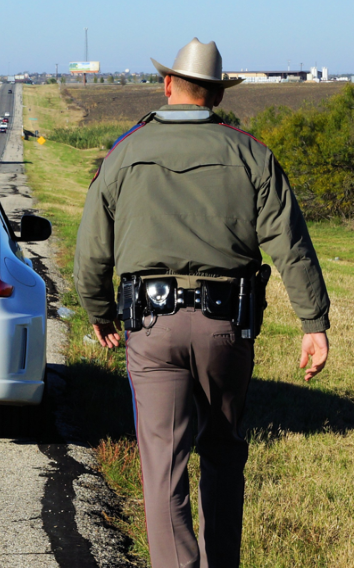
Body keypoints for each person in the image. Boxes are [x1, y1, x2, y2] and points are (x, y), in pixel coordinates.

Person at [73, 38, 330, 568]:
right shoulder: (250, 152)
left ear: (168, 85)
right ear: (217, 94)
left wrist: (100, 311)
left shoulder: (125, 151)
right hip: (225, 328)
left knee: (164, 468)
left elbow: (92, 247)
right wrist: (314, 322)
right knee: (223, 454)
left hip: (151, 325)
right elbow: (292, 244)